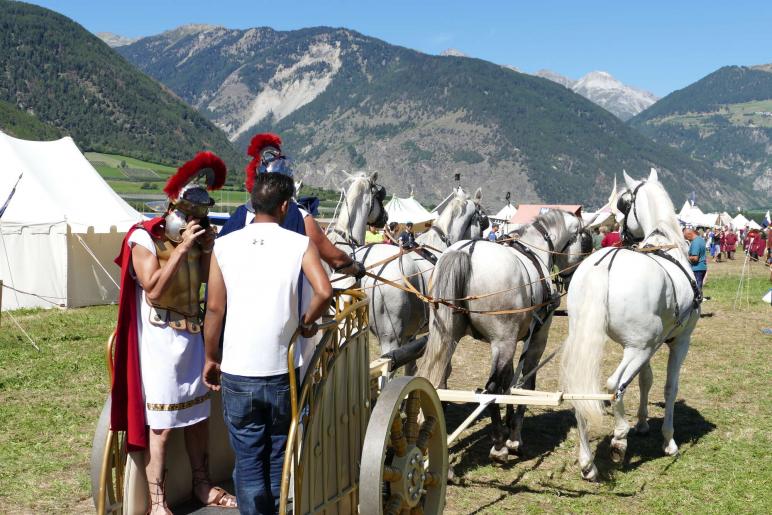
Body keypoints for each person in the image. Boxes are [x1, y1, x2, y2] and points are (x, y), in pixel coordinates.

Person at [111, 152, 237, 513]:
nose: (194, 221)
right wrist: (183, 248)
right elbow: (153, 289)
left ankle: (202, 484)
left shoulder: (199, 241)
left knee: (198, 418)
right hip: (160, 339)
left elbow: (212, 286)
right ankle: (156, 501)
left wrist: (209, 248)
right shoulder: (144, 239)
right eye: (189, 214)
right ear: (173, 208)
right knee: (163, 426)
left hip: (192, 336)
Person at [203, 172, 333, 514]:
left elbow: (215, 308)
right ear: (286, 205)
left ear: (252, 202)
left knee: (247, 457)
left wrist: (210, 358)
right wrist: (306, 324)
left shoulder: (224, 245)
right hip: (282, 371)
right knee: (278, 453)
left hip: (237, 370)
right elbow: (324, 291)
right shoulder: (299, 243)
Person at [218, 133, 364, 279]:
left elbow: (216, 265)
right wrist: (356, 268)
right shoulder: (300, 216)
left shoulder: (238, 216)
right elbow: (336, 259)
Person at [684, 226, 707, 293]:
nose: (687, 239)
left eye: (686, 237)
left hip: (697, 268)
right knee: (698, 288)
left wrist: (684, 257)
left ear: (689, 234)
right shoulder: (700, 239)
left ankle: (697, 301)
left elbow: (695, 258)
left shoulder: (695, 242)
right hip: (702, 267)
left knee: (696, 290)